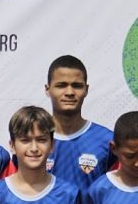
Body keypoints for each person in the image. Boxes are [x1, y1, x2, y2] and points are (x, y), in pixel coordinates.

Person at [47, 53, 116, 184]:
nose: (69, 93)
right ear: (47, 89)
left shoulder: (107, 140)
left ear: (86, 89)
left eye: (77, 86)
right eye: (61, 85)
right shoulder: (32, 141)